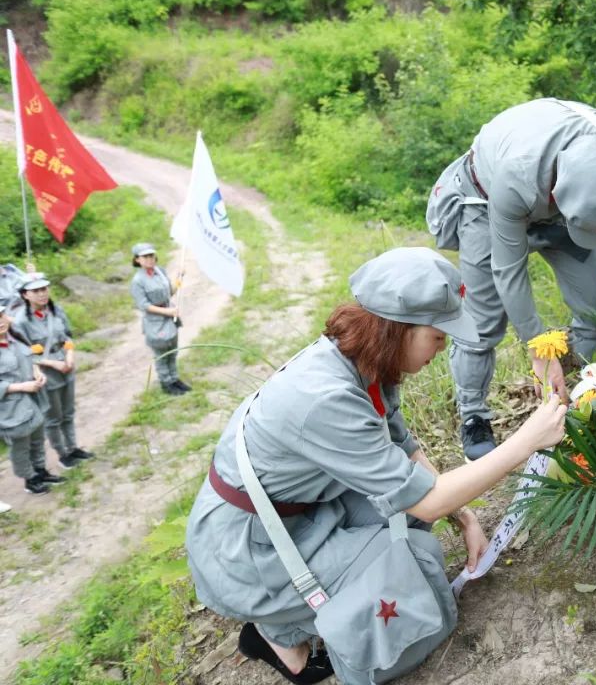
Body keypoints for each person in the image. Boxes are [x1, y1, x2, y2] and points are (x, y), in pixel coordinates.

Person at [185, 247, 566, 685]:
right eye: (437, 336)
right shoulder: (327, 398)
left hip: (285, 515)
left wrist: (463, 515)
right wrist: (526, 441)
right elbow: (426, 501)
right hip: (244, 552)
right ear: (397, 329)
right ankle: (282, 636)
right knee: (419, 560)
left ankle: (283, 621)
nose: (441, 349)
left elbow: (404, 454)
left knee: (407, 523)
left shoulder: (363, 365)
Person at [426, 97, 596, 460]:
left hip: (564, 210)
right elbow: (509, 271)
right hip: (487, 203)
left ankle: (591, 398)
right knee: (483, 321)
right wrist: (538, 348)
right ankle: (473, 416)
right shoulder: (516, 177)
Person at [13, 273, 94, 468]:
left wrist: (70, 356)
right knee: (53, 417)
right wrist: (52, 363)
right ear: (25, 295)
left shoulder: (56, 310)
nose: (42, 294)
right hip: (46, 374)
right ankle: (62, 453)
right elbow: (24, 354)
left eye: (44, 289)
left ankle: (73, 447)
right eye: (36, 291)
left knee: (68, 412)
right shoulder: (21, 321)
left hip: (66, 367)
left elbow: (67, 336)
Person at [0, 305, 60, 495]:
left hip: (33, 399)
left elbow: (30, 357)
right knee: (20, 445)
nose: (1, 321)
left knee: (37, 438)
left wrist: (37, 371)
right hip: (12, 406)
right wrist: (19, 387)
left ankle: (40, 470)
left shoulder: (14, 337)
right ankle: (29, 479)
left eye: (1, 315)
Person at [129, 243, 190, 395]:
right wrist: (166, 311)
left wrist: (179, 278)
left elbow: (170, 291)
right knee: (161, 354)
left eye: (151, 256)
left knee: (173, 350)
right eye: (145, 257)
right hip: (156, 322)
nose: (150, 259)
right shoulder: (138, 281)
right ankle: (166, 382)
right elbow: (144, 305)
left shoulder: (159, 271)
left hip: (170, 318)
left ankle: (175, 379)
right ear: (137, 260)